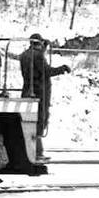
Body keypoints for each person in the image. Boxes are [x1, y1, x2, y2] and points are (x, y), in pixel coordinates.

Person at [19, 33, 70, 161]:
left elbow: (34, 67)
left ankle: (34, 151)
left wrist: (44, 48)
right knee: (40, 122)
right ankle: (37, 152)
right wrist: (62, 69)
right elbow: (46, 71)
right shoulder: (38, 56)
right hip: (40, 92)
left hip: (27, 91)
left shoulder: (24, 55)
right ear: (39, 42)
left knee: (30, 122)